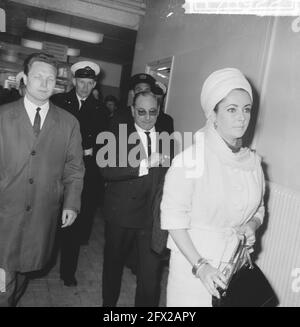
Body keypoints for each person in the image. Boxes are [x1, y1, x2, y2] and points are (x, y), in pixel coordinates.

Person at [160, 68, 265, 307]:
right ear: (213, 115)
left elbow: (259, 208)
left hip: (234, 266)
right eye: (231, 109)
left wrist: (252, 224)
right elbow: (172, 220)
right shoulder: (190, 160)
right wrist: (201, 267)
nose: (242, 117)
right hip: (195, 269)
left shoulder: (253, 163)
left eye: (246, 109)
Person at [0, 52, 84, 306]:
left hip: (42, 217)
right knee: (4, 284)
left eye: (50, 78)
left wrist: (70, 203)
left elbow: (75, 167)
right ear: (24, 78)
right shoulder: (3, 116)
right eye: (38, 76)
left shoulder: (68, 122)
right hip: (5, 215)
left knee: (24, 271)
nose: (45, 83)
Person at [100, 91, 173, 307]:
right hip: (121, 214)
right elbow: (106, 170)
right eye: (141, 112)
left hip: (151, 218)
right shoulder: (116, 134)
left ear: (158, 111)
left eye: (152, 112)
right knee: (113, 267)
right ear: (132, 110)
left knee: (150, 278)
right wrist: (143, 165)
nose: (147, 117)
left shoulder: (167, 138)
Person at [51, 61, 108, 286]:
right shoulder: (58, 102)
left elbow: (104, 145)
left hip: (84, 173)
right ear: (74, 81)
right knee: (50, 220)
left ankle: (68, 272)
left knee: (74, 224)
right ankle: (42, 261)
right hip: (56, 169)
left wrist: (92, 150)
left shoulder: (100, 110)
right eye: (81, 82)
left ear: (94, 84)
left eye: (89, 83)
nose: (84, 87)